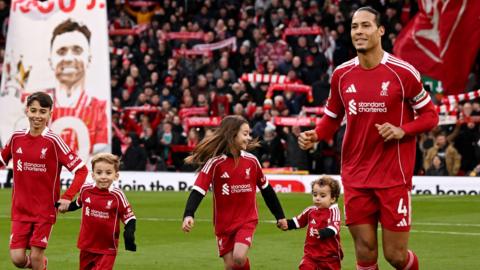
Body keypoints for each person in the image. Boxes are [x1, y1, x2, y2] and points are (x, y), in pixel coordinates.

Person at [298, 7, 439, 270]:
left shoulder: (403, 72)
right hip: (356, 174)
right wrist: (316, 135)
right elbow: (331, 118)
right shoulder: (341, 74)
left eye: (365, 26)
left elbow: (431, 116)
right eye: (354, 27)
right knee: (365, 253)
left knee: (395, 256)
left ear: (380, 30)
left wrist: (402, 130)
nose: (359, 32)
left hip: (392, 176)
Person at [181, 115, 287, 270]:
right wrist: (188, 214)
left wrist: (280, 216)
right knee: (231, 265)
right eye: (245, 134)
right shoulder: (215, 163)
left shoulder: (252, 161)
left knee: (238, 256)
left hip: (246, 219)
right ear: (232, 135)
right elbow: (198, 191)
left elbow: (267, 191)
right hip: (223, 224)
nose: (248, 137)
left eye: (249, 133)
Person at [0, 91, 88, 269]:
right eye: (33, 110)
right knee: (17, 259)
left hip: (44, 210)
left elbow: (82, 170)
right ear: (27, 111)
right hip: (20, 209)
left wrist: (67, 196)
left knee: (36, 255)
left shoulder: (54, 141)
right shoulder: (16, 138)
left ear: (50, 114)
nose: (37, 116)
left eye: (42, 111)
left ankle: (40, 263)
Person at [48, 19, 108, 157]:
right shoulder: (34, 105)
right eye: (61, 52)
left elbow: (99, 150)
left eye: (77, 50)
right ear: (50, 60)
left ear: (89, 58)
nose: (69, 58)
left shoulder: (99, 109)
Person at [66, 153, 137, 270]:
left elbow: (130, 218)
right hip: (86, 245)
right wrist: (60, 206)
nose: (103, 176)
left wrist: (129, 233)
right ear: (93, 175)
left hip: (107, 248)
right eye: (99, 173)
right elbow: (77, 204)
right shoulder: (85, 189)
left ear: (116, 175)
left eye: (108, 173)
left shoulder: (117, 195)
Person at [282, 176, 343, 270]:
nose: (317, 198)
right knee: (305, 267)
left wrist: (322, 232)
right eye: (315, 195)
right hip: (310, 255)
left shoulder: (334, 211)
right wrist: (287, 224)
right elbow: (298, 221)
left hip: (329, 258)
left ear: (333, 199)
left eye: (322, 196)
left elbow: (334, 228)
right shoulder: (310, 210)